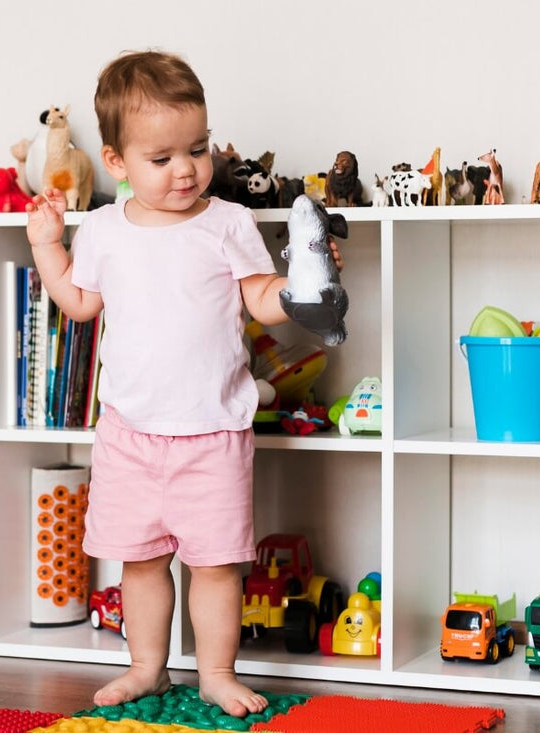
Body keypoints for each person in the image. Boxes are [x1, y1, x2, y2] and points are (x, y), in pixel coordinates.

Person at [25, 49, 337, 718]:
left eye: (197, 148)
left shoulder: (228, 221)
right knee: (140, 564)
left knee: (217, 566)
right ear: (116, 163)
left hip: (213, 434)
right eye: (162, 158)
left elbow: (259, 299)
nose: (187, 168)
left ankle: (218, 672)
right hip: (130, 436)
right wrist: (49, 247)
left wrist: (300, 289)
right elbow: (79, 305)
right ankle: (147, 668)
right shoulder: (105, 230)